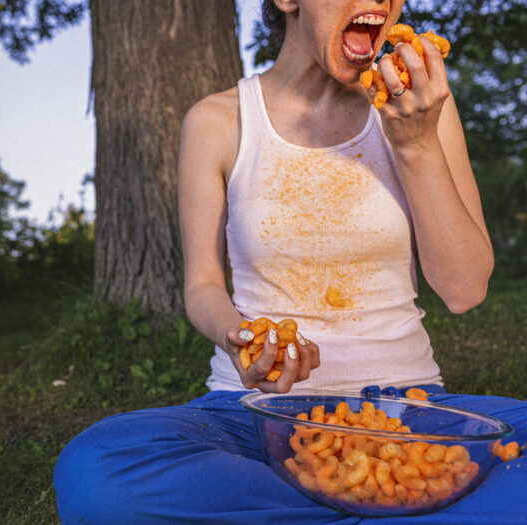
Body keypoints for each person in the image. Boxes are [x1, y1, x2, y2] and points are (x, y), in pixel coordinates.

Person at [53, 1, 526, 522]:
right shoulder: (216, 121)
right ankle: (393, 500)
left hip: (405, 415)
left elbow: (464, 289)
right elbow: (203, 286)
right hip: (251, 417)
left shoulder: (416, 106)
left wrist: (415, 145)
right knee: (96, 471)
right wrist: (240, 337)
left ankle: (334, 497)